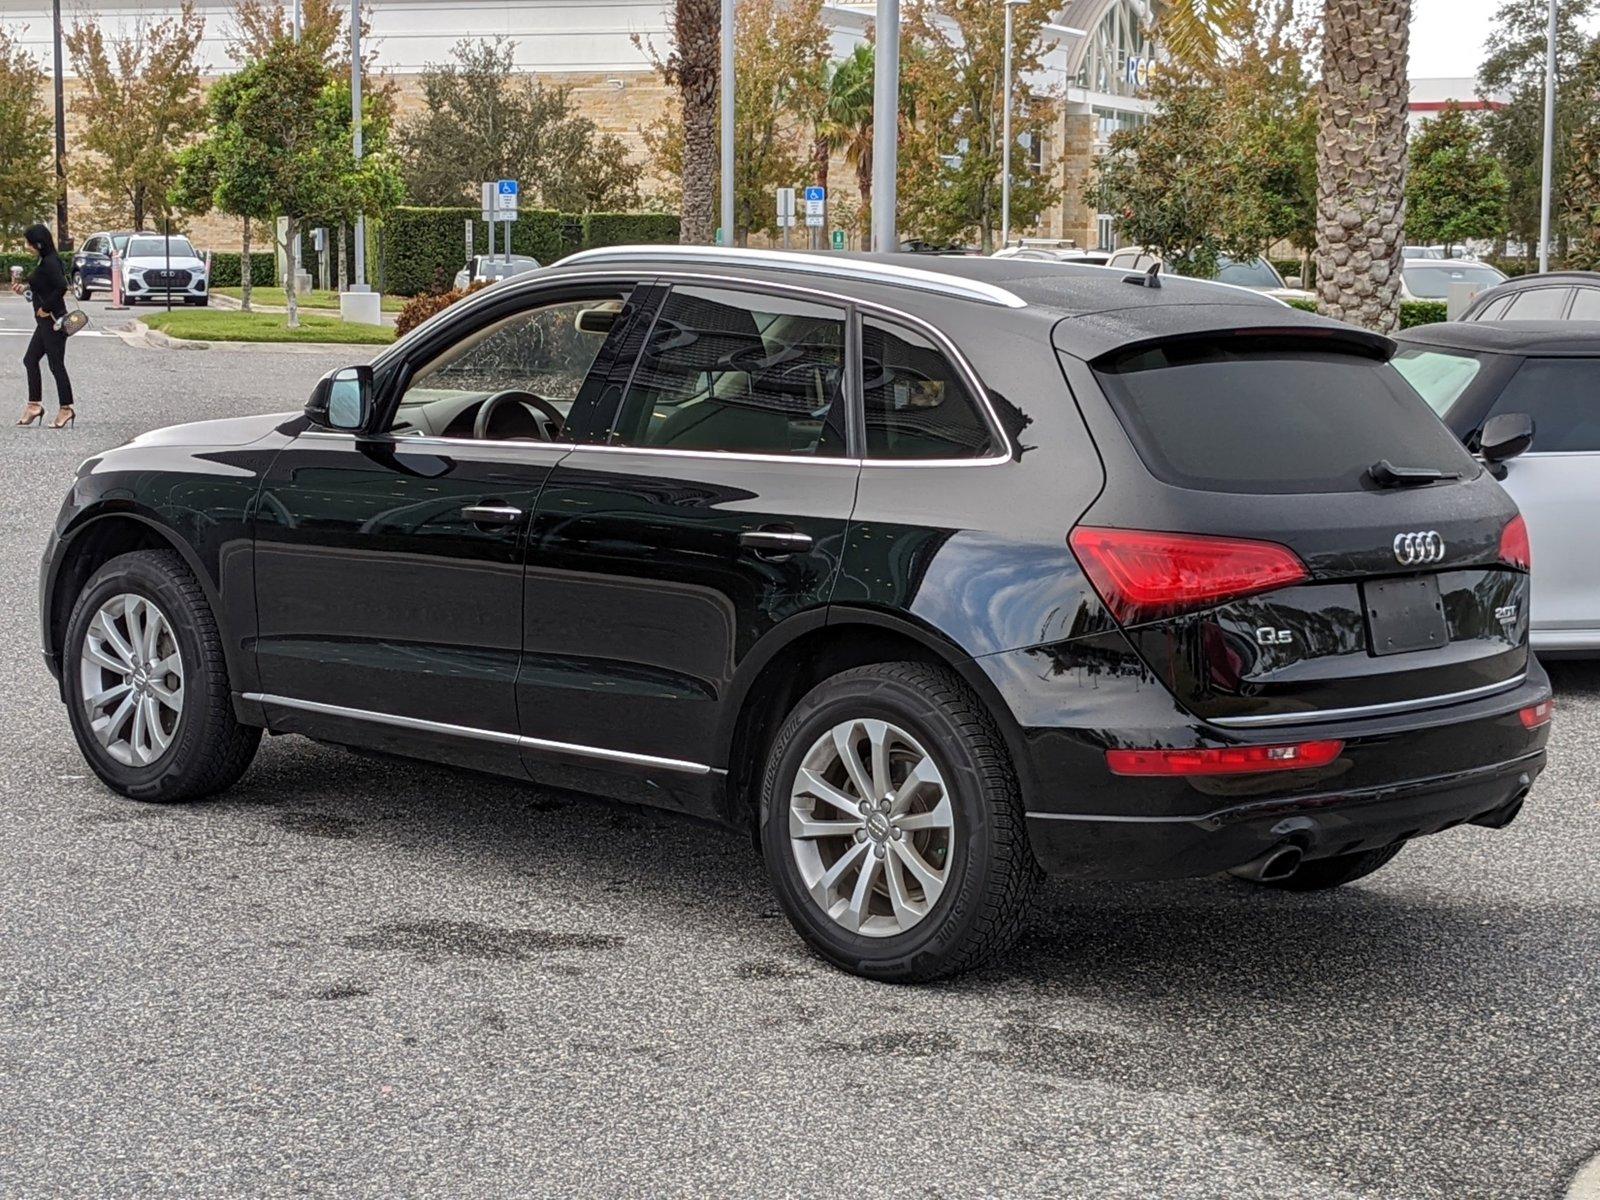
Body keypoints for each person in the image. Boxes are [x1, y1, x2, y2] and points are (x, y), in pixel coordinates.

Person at [14, 223, 75, 429]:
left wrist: (46, 308)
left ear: (39, 244)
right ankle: (34, 405)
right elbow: (42, 286)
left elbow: (61, 287)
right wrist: (24, 289)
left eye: (29, 243)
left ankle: (66, 408)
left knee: (56, 365)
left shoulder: (50, 262)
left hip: (54, 322)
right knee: (30, 360)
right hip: (44, 323)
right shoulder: (45, 260)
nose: (27, 247)